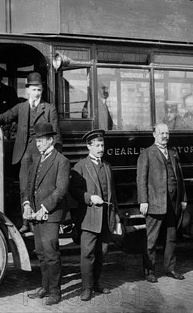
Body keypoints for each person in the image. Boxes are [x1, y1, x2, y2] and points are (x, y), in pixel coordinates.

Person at [0, 72, 60, 232]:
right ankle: (26, 222)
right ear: (28, 91)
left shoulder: (49, 109)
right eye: (33, 89)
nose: (36, 93)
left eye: (39, 89)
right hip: (24, 155)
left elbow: (56, 136)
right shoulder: (21, 108)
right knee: (24, 189)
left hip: (42, 155)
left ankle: (38, 224)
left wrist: (54, 158)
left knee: (39, 189)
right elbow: (7, 116)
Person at [70, 129, 121, 301]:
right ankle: (86, 288)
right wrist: (89, 197)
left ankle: (96, 283)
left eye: (102, 145)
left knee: (102, 252)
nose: (101, 148)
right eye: (97, 145)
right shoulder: (80, 166)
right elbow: (74, 191)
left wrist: (117, 217)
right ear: (88, 147)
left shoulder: (107, 166)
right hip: (88, 219)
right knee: (87, 254)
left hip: (106, 219)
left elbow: (113, 194)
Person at [22, 122, 69, 305]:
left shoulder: (61, 161)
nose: (38, 144)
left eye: (41, 140)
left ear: (51, 140)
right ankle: (45, 287)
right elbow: (28, 187)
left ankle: (55, 292)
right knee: (41, 253)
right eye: (37, 140)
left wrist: (44, 208)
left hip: (50, 215)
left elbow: (61, 190)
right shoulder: (37, 159)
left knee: (51, 254)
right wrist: (27, 205)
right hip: (36, 215)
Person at [137, 123, 187, 282]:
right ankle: (149, 271)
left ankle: (170, 269)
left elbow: (180, 178)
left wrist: (183, 198)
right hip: (155, 203)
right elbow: (141, 179)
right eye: (161, 133)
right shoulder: (147, 153)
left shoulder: (173, 153)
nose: (165, 136)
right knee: (151, 240)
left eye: (167, 133)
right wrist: (143, 201)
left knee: (171, 238)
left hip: (173, 203)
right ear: (154, 134)